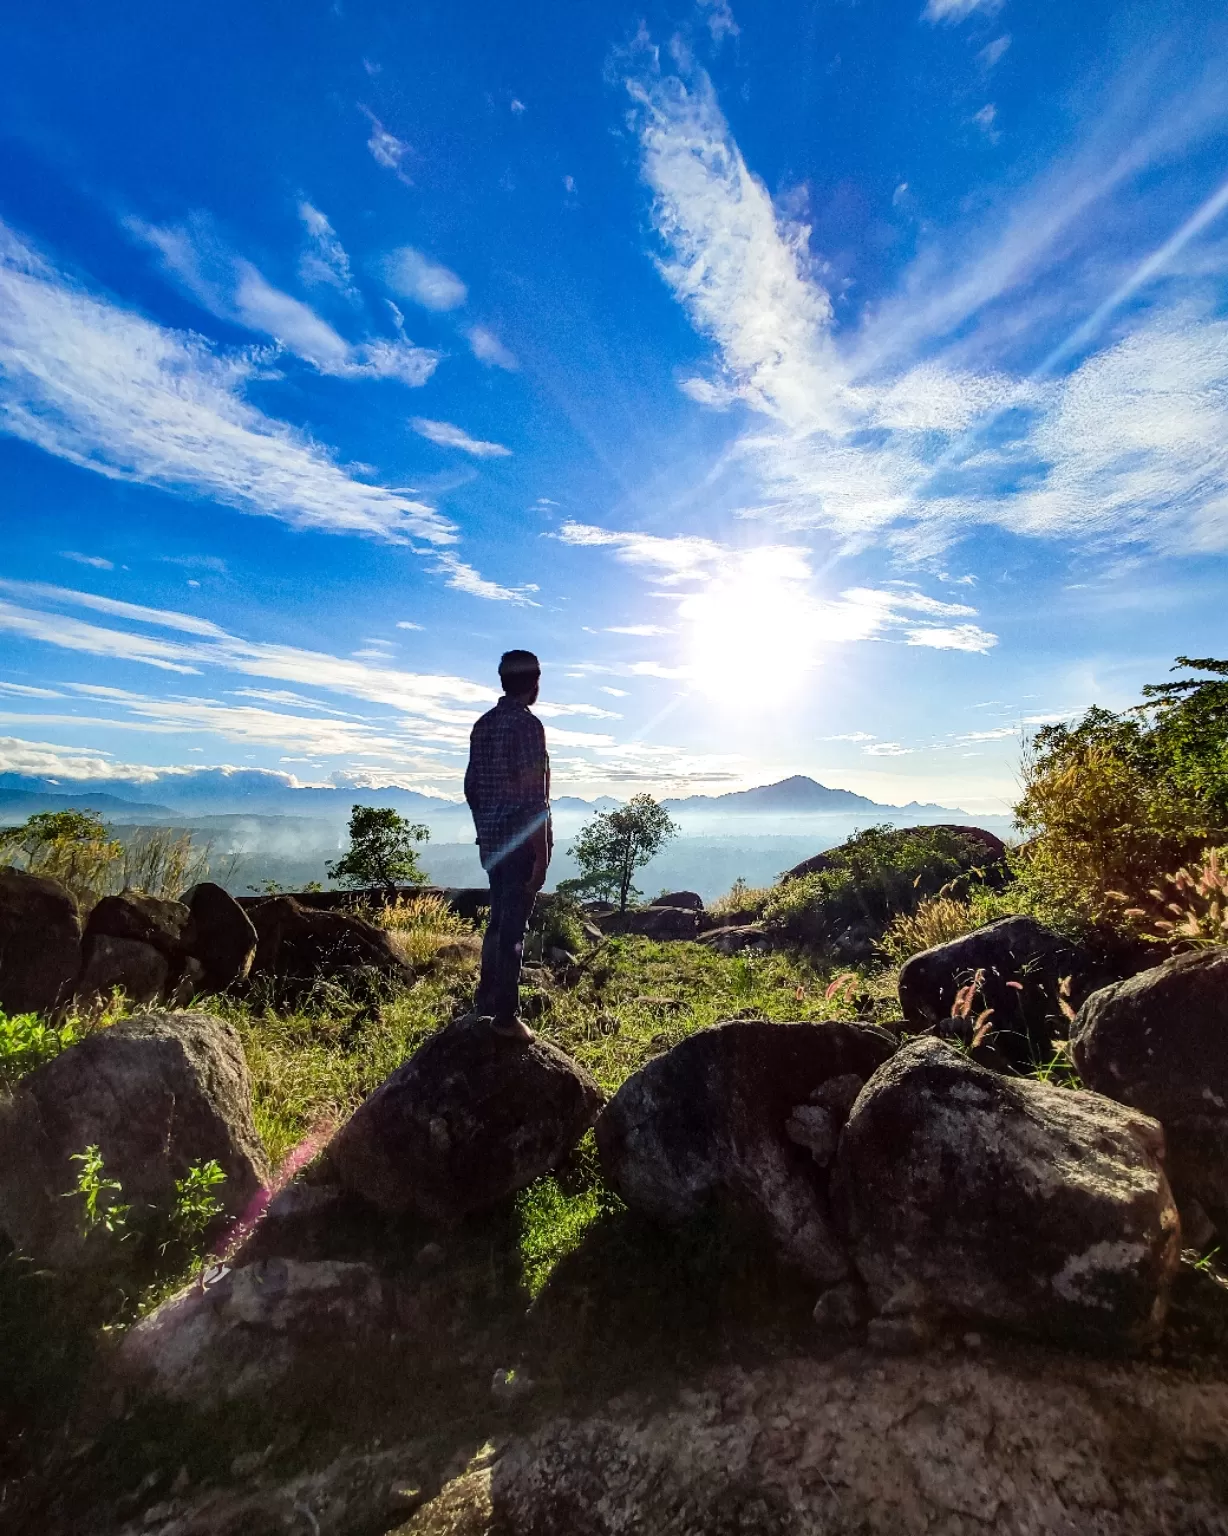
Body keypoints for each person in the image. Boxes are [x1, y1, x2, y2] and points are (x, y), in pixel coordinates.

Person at [463, 649, 552, 1039]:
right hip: (519, 845)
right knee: (514, 925)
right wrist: (543, 857)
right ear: (534, 682)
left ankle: (486, 1002)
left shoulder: (482, 726)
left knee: (498, 923)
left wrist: (485, 828)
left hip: (492, 843)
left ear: (502, 681)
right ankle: (505, 1016)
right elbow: (535, 798)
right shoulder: (528, 727)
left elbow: (471, 788)